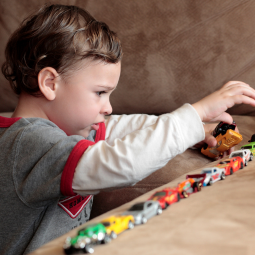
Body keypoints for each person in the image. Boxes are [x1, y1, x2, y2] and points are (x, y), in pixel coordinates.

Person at [1, 4, 255, 255]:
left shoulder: (66, 130)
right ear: (50, 83)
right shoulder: (27, 143)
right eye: (100, 93)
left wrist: (198, 129)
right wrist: (195, 113)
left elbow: (117, 127)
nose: (108, 107)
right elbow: (120, 164)